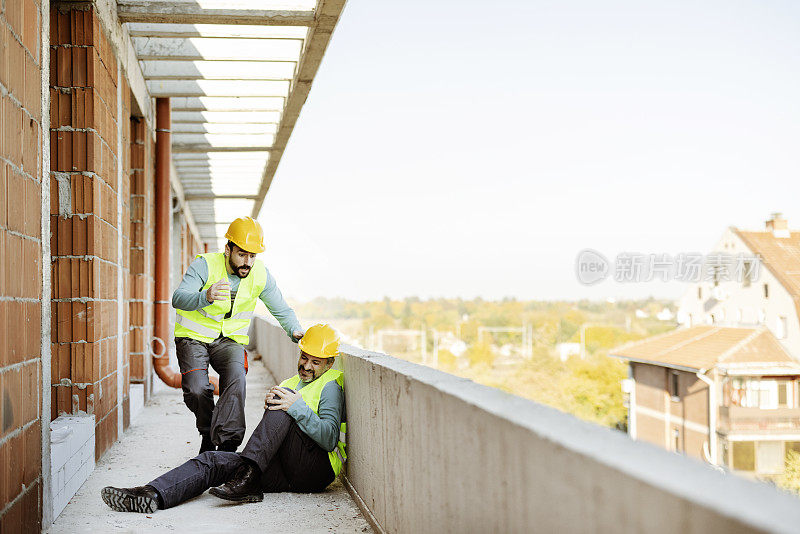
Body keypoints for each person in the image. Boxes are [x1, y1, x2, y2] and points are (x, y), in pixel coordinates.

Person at [100, 324, 346, 513]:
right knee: (211, 460)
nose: (306, 366)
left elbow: (329, 438)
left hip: (314, 471)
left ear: (330, 363)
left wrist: (295, 407)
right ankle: (151, 494)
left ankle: (247, 475)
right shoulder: (291, 382)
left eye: (316, 362)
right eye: (304, 357)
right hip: (282, 468)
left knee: (286, 398)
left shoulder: (330, 385)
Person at [171, 216, 304, 454]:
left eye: (253, 256)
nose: (248, 262)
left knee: (236, 378)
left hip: (228, 341)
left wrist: (294, 330)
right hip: (194, 337)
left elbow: (280, 308)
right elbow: (178, 298)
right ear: (228, 249)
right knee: (196, 389)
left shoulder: (260, 274)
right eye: (242, 254)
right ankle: (207, 433)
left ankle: (228, 445)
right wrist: (206, 296)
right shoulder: (205, 265)